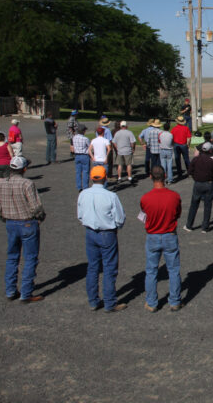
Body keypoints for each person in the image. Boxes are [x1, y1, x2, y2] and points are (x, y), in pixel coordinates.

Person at [0, 156, 46, 303]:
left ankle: (10, 290)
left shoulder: (0, 184)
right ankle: (26, 292)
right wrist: (40, 217)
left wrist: (3, 218)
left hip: (10, 222)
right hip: (27, 222)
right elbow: (35, 206)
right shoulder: (27, 183)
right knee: (30, 258)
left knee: (12, 257)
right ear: (24, 169)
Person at [77, 165, 127, 312]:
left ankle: (93, 301)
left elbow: (80, 215)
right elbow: (119, 218)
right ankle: (110, 302)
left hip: (90, 232)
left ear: (92, 178)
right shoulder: (111, 196)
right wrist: (116, 226)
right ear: (105, 178)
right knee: (109, 267)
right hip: (107, 233)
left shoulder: (83, 194)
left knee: (93, 267)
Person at [140, 166, 183, 312]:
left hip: (152, 235)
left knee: (151, 270)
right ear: (165, 176)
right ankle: (175, 301)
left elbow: (144, 214)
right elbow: (178, 213)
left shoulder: (145, 198)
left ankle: (152, 302)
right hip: (169, 234)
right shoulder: (174, 196)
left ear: (150, 177)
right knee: (173, 269)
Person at [183, 142, 213, 233]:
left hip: (198, 183)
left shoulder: (195, 160)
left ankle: (189, 225)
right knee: (207, 205)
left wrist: (195, 176)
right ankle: (205, 226)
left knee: (194, 205)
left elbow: (190, 171)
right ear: (211, 150)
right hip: (208, 184)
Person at [69, 124, 90, 191]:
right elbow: (90, 147)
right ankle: (85, 187)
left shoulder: (74, 138)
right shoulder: (85, 139)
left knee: (78, 172)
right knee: (85, 172)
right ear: (83, 131)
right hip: (84, 155)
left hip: (77, 155)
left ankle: (79, 187)